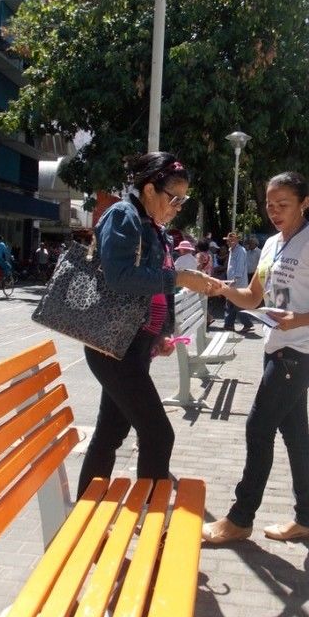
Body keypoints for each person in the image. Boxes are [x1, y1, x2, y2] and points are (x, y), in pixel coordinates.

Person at [202, 171, 309, 545]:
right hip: (278, 350)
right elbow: (253, 298)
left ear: (305, 203)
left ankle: (240, 518)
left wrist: (298, 319)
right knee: (295, 434)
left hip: (301, 353)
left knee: (258, 426)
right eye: (270, 205)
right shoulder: (270, 245)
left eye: (283, 204)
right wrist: (220, 288)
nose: (275, 212)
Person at [76, 152, 223, 498]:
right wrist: (181, 277)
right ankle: (149, 518)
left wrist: (162, 331)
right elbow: (120, 277)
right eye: (174, 198)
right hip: (113, 345)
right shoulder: (122, 216)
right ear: (149, 189)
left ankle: (86, 509)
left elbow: (156, 290)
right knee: (158, 434)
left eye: (183, 200)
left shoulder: (152, 227)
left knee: (111, 433)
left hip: (134, 345)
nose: (178, 206)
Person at [223, 231, 254, 333]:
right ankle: (229, 324)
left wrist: (234, 280)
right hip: (232, 281)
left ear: (237, 240)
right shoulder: (232, 250)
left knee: (238, 304)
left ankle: (247, 324)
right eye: (229, 240)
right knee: (231, 303)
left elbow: (239, 267)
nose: (229, 242)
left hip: (237, 282)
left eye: (232, 240)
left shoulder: (241, 251)